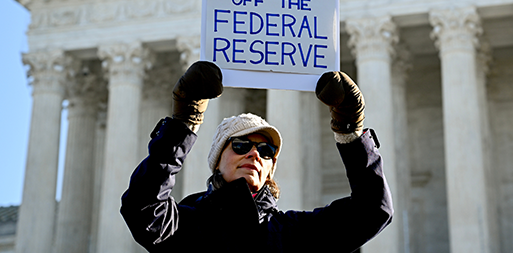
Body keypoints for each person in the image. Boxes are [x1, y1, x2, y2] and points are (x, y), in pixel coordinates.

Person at [121, 61, 393, 252]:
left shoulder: (292, 234)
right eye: (240, 145)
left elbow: (372, 211)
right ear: (217, 161)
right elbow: (142, 207)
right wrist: (183, 123)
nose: (254, 153)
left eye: (266, 151)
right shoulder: (186, 226)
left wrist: (351, 133)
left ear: (270, 169)